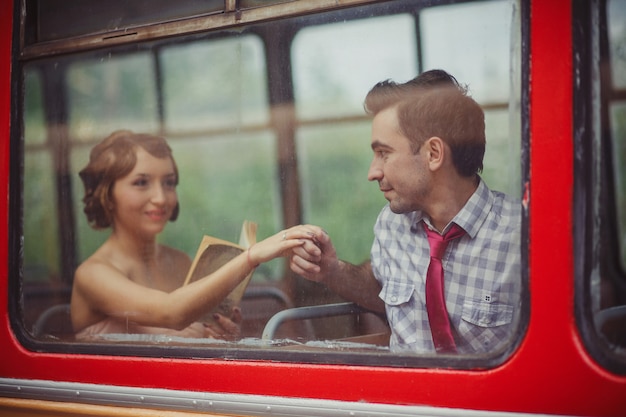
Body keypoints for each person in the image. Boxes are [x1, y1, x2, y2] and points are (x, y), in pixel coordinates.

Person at [290, 70, 521, 354]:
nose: (372, 172)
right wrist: (333, 271)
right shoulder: (392, 223)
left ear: (433, 154)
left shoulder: (522, 236)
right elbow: (382, 289)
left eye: (384, 153)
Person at [71, 130, 315, 341]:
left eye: (169, 183)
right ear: (107, 195)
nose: (161, 198)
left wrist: (217, 335)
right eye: (141, 183)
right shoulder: (92, 274)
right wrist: (251, 257)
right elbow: (171, 313)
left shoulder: (179, 261)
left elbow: (185, 338)